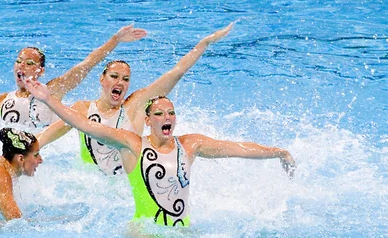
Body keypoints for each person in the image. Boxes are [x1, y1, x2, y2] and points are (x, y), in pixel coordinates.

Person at [26, 79, 296, 227]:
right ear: (148, 120)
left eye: (171, 113)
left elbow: (237, 148)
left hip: (182, 231)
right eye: (159, 114)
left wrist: (278, 152)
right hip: (145, 234)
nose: (167, 118)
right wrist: (50, 99)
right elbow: (84, 124)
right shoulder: (133, 145)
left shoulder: (190, 145)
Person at [37, 22, 235, 175]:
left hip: (126, 187)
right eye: (114, 77)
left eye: (125, 79)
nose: (120, 83)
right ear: (102, 79)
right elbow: (44, 137)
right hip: (90, 186)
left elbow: (177, 72)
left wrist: (204, 43)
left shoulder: (136, 107)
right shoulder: (82, 110)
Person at [0, 24, 147, 128]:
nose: (22, 66)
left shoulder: (51, 92)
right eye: (19, 61)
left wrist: (115, 40)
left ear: (40, 71)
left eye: (30, 63)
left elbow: (87, 64)